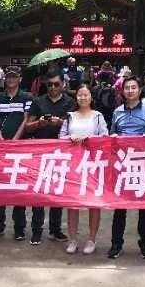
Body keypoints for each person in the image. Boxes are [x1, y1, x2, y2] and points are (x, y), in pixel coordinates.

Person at [108, 75, 145, 259]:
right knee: (119, 206)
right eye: (127, 88)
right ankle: (116, 244)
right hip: (122, 164)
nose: (130, 91)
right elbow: (113, 134)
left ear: (139, 90)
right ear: (123, 91)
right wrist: (113, 138)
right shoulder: (117, 112)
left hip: (143, 164)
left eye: (133, 87)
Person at [25, 68, 74, 244]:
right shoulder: (38, 101)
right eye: (50, 84)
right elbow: (27, 126)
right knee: (38, 192)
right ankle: (36, 230)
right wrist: (39, 123)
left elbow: (75, 125)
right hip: (40, 152)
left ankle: (55, 229)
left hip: (62, 153)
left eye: (56, 84)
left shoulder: (70, 102)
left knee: (57, 191)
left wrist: (60, 122)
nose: (53, 87)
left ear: (63, 84)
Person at [59, 84, 109, 255]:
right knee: (72, 203)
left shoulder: (98, 116)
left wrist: (90, 139)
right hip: (72, 164)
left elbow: (105, 136)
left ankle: (91, 239)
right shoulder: (70, 116)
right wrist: (70, 138)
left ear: (91, 97)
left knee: (93, 203)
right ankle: (72, 239)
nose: (82, 97)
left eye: (86, 95)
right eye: (80, 94)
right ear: (76, 97)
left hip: (93, 164)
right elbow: (60, 137)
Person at [0, 66, 32, 241]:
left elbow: (26, 120)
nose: (11, 79)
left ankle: (19, 227)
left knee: (19, 188)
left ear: (20, 78)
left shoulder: (27, 97)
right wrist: (3, 142)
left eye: (14, 77)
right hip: (1, 149)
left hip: (20, 150)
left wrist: (14, 141)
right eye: (8, 77)